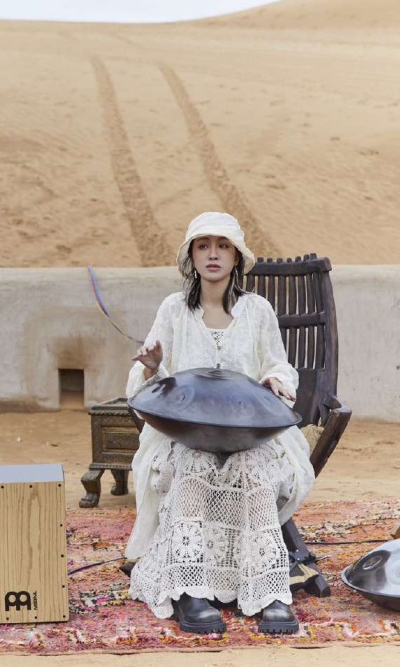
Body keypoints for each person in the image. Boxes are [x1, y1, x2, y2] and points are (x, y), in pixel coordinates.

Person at [125, 212, 314, 635]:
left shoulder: (258, 311)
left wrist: (275, 382)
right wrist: (153, 367)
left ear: (237, 257)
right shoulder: (174, 310)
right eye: (203, 245)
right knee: (193, 468)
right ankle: (189, 590)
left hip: (248, 434)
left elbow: (279, 365)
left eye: (223, 246)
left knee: (252, 471)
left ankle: (269, 590)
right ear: (191, 256)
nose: (213, 254)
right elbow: (148, 387)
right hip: (185, 436)